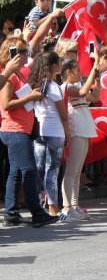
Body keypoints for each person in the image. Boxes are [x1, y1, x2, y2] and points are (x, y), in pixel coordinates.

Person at [1, 38, 59, 227]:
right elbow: (6, 105)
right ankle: (36, 213)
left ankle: (11, 213)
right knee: (29, 170)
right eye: (22, 51)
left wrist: (33, 97)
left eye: (26, 50)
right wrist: (31, 96)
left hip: (20, 129)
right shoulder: (8, 76)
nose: (26, 54)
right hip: (14, 129)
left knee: (16, 172)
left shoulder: (19, 75)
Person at [28, 52, 70, 219]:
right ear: (53, 66)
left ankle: (39, 206)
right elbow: (63, 114)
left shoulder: (34, 84)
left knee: (39, 170)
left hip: (39, 132)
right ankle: (53, 208)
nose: (62, 65)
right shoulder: (53, 86)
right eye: (59, 62)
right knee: (51, 170)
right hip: (55, 133)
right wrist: (67, 132)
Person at [60, 55, 101, 219]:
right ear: (69, 72)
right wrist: (93, 69)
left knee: (77, 172)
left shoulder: (76, 86)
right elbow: (84, 92)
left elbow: (94, 96)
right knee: (71, 171)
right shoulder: (66, 87)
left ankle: (75, 205)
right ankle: (66, 207)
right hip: (75, 130)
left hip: (84, 129)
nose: (80, 72)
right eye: (77, 69)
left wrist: (98, 79)